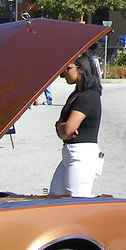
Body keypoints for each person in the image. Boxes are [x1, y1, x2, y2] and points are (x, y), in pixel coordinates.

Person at [50, 53, 104, 197]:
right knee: (54, 197)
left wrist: (62, 128)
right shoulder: (75, 95)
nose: (64, 73)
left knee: (78, 201)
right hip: (69, 153)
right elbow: (63, 128)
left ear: (81, 69)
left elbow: (67, 128)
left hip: (82, 155)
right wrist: (61, 128)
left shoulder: (89, 96)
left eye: (68, 69)